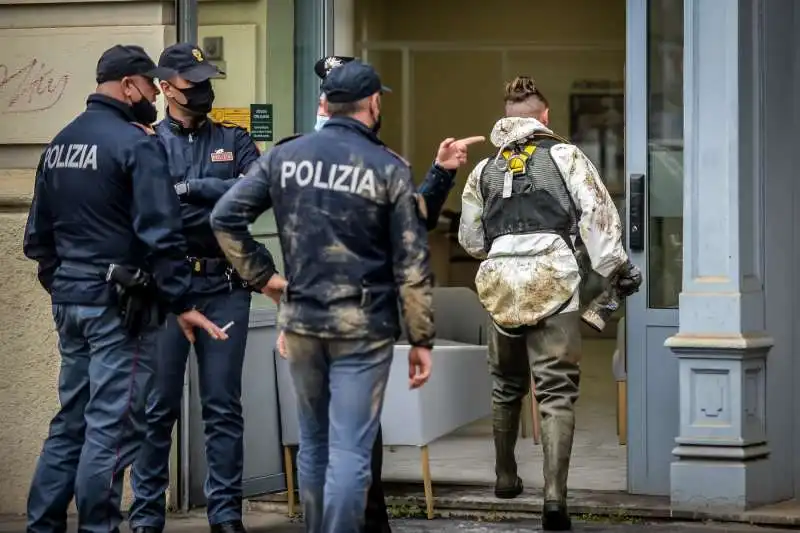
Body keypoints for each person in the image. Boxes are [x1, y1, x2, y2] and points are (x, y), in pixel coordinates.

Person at [210, 60, 436, 533]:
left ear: (325, 105)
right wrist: (421, 338)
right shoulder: (388, 168)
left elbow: (224, 218)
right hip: (363, 325)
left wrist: (266, 278)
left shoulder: (284, 157)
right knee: (352, 449)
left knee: (313, 444)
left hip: (303, 320)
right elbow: (412, 264)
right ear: (374, 104)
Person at [23, 44, 228, 533]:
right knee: (111, 429)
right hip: (119, 309)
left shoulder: (60, 143)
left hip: (72, 301)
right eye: (149, 85)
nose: (155, 95)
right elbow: (162, 235)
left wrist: (68, 283)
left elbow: (37, 239)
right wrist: (178, 299)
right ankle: (98, 526)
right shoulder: (136, 144)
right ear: (130, 85)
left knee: (71, 420)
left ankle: (43, 525)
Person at [308, 55, 483, 533]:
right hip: (353, 313)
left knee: (346, 431)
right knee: (339, 433)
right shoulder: (347, 159)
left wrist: (441, 171)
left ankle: (364, 518)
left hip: (316, 315)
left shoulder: (305, 156)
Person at [458, 76, 641, 531]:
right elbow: (598, 218)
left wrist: (506, 252)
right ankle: (554, 499)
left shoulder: (483, 170)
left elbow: (471, 240)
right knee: (556, 392)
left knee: (505, 386)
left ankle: (504, 477)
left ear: (506, 120)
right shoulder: (565, 155)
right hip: (553, 282)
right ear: (545, 118)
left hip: (500, 285)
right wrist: (615, 270)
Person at [128, 43, 278, 533]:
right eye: (192, 84)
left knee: (222, 407)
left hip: (224, 284)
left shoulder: (233, 139)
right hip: (168, 290)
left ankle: (226, 516)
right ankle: (147, 515)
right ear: (166, 88)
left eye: (206, 81)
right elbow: (146, 214)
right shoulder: (147, 141)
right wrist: (218, 194)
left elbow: (253, 195)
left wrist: (187, 190)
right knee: (157, 409)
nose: (204, 91)